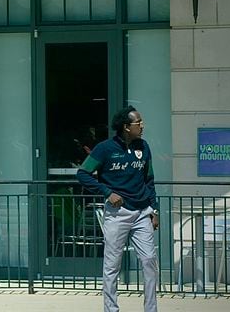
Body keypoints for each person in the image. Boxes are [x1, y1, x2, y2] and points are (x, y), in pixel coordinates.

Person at [77, 106, 159, 312]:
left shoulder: (144, 146)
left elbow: (149, 179)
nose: (142, 126)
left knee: (149, 260)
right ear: (125, 127)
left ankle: (151, 309)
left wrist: (154, 209)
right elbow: (83, 173)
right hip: (117, 214)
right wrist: (107, 192)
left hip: (142, 212)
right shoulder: (105, 149)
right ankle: (111, 309)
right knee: (112, 265)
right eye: (137, 123)